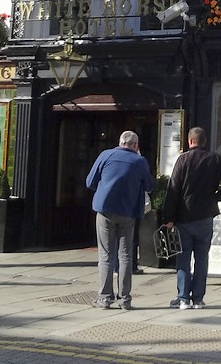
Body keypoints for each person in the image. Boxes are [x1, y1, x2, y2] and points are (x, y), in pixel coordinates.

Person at [161, 127, 221, 310]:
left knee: (183, 258)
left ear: (190, 141)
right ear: (204, 141)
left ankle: (183, 298)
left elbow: (173, 189)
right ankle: (198, 298)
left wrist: (168, 217)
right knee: (202, 258)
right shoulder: (215, 159)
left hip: (184, 217)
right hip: (205, 216)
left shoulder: (183, 160)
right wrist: (219, 196)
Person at [85, 130, 154, 310]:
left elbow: (90, 181)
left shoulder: (106, 155)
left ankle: (105, 298)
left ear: (119, 142)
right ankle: (125, 299)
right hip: (128, 212)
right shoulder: (140, 161)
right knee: (125, 256)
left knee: (106, 256)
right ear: (136, 146)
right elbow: (150, 186)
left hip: (105, 210)